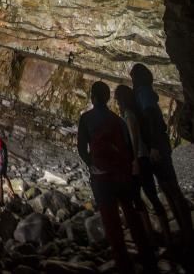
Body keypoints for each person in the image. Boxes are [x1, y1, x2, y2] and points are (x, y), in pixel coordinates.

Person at [77, 81, 157, 274]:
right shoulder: (118, 121)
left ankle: (123, 265)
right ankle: (148, 259)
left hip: (102, 178)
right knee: (132, 217)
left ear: (93, 98)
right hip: (122, 176)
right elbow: (129, 149)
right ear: (107, 98)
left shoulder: (86, 118)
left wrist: (92, 164)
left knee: (112, 224)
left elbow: (81, 148)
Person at [130, 63, 193, 250]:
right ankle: (184, 231)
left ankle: (188, 233)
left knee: (171, 188)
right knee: (168, 188)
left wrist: (155, 147)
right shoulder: (145, 92)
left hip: (157, 148)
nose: (132, 79)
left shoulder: (143, 93)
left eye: (133, 76)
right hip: (157, 146)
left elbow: (152, 119)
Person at [114, 84, 172, 246]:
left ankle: (150, 236)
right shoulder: (136, 112)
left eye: (118, 99)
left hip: (139, 159)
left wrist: (134, 160)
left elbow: (134, 137)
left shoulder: (129, 114)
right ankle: (164, 236)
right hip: (143, 158)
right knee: (150, 197)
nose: (117, 102)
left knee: (140, 199)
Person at [0, 131, 15, 205]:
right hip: (4, 163)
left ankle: (1, 202)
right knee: (5, 176)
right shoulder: (2, 142)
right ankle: (12, 192)